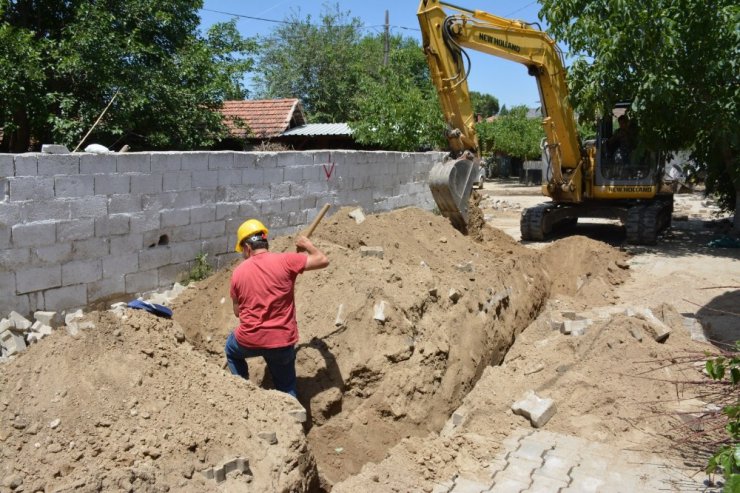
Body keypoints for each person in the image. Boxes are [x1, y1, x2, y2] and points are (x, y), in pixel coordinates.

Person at [224, 218, 329, 397]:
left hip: (249, 339)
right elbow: (322, 260)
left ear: (248, 248)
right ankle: (293, 413)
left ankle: (242, 392)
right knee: (287, 386)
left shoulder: (238, 273)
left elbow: (237, 312)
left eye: (242, 251)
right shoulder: (287, 261)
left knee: (231, 350)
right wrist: (307, 245)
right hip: (282, 341)